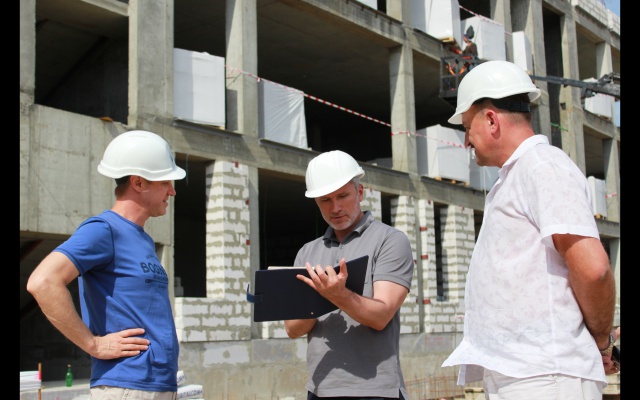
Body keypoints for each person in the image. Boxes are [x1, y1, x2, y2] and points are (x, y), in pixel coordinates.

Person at [440, 60, 617, 399]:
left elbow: (594, 270)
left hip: (547, 377)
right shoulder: (518, 176)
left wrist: (599, 340)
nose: (466, 141)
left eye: (467, 127)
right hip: (525, 374)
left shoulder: (544, 166)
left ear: (491, 120)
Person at [27, 130, 186, 400]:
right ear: (138, 182)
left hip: (154, 385)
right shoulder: (103, 230)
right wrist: (93, 344)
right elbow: (43, 282)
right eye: (165, 182)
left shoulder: (143, 240)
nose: (172, 190)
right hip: (126, 386)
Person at [284, 150, 415, 400]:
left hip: (375, 391)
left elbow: (381, 316)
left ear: (360, 192)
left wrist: (338, 295)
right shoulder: (307, 252)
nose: (335, 208)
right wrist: (319, 299)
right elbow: (292, 329)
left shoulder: (390, 241)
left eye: (343, 196)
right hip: (319, 390)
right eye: (325, 200)